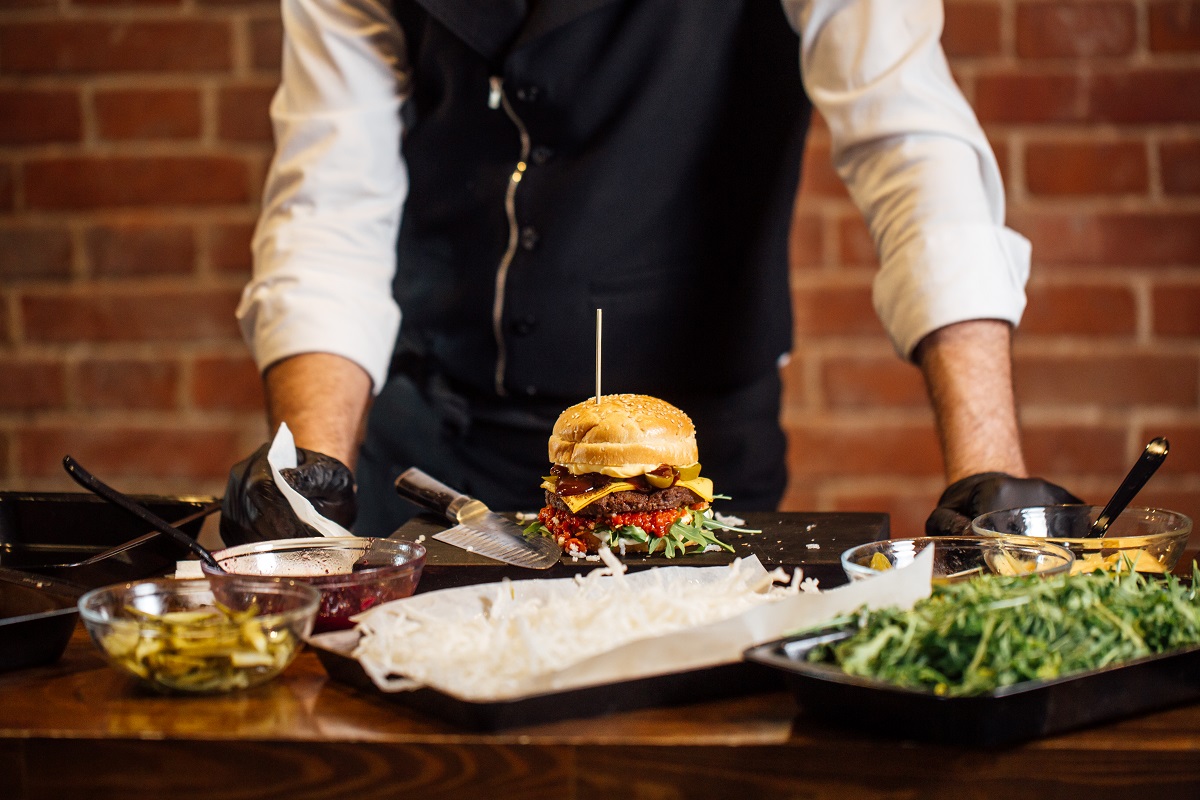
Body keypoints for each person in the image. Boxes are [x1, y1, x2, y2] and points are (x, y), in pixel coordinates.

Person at [220, 0, 1079, 546]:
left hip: (695, 450)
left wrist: (988, 474)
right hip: (425, 439)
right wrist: (311, 474)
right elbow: (331, 195)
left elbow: (911, 142)